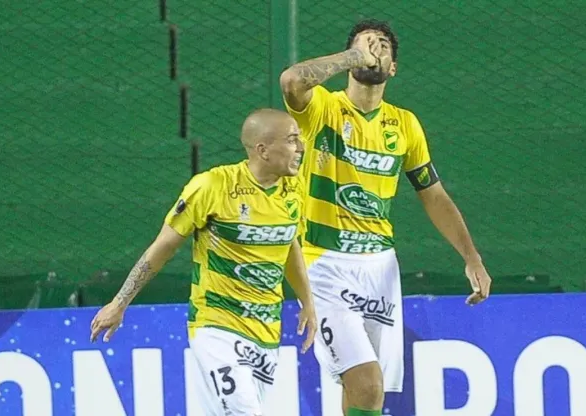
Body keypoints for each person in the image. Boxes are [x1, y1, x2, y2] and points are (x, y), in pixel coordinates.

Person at [279, 19, 493, 415]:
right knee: (367, 381)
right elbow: (292, 80)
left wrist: (471, 256)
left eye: (382, 47)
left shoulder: (405, 124)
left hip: (380, 267)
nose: (373, 50)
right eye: (365, 45)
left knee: (362, 392)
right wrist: (351, 56)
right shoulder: (324, 107)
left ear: (393, 67)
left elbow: (433, 194)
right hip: (324, 264)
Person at [89, 108, 317, 416]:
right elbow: (163, 248)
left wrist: (308, 302)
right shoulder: (213, 186)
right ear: (262, 149)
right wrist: (120, 302)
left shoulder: (294, 189)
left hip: (266, 330)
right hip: (216, 326)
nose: (301, 147)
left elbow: (291, 245)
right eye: (292, 140)